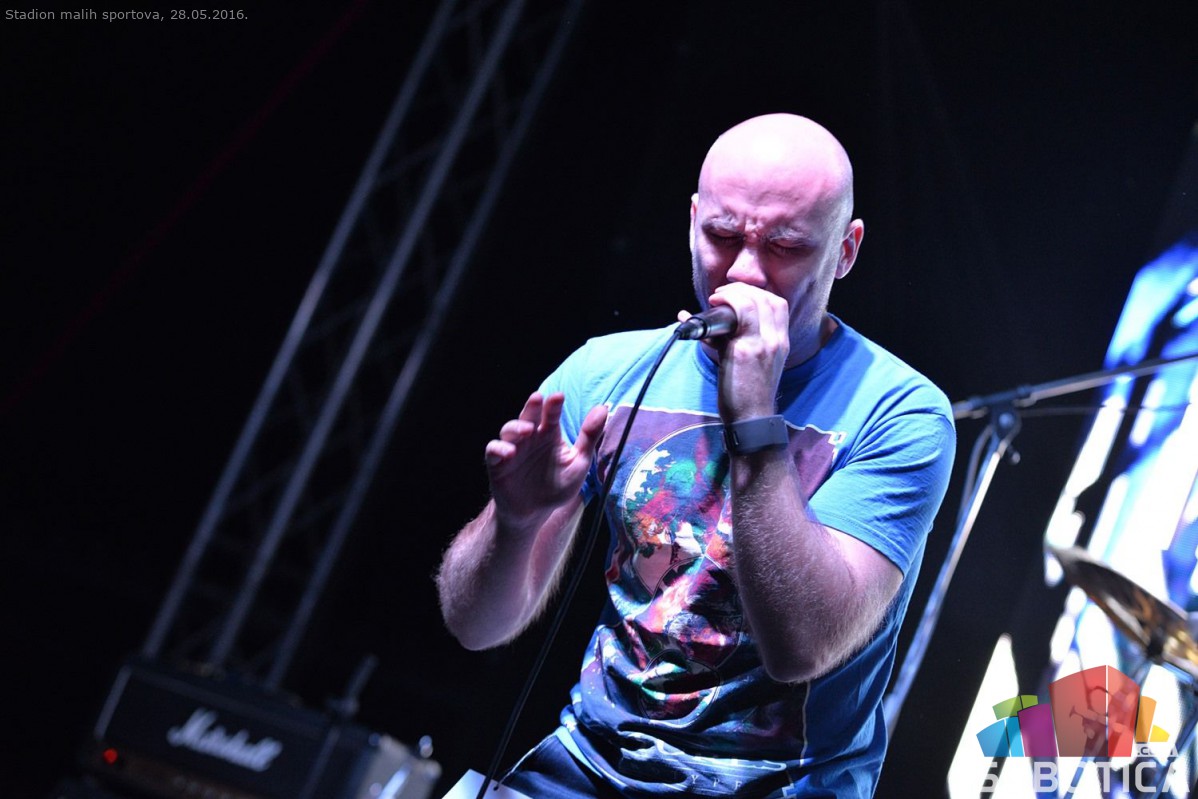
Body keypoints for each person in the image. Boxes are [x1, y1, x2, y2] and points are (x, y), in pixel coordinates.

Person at [436, 113, 956, 798]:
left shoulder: (902, 413)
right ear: (691, 222)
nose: (744, 271)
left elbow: (801, 646)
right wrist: (516, 522)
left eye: (785, 246)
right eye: (722, 235)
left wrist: (755, 415)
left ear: (845, 250)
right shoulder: (609, 371)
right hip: (588, 766)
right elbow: (474, 625)